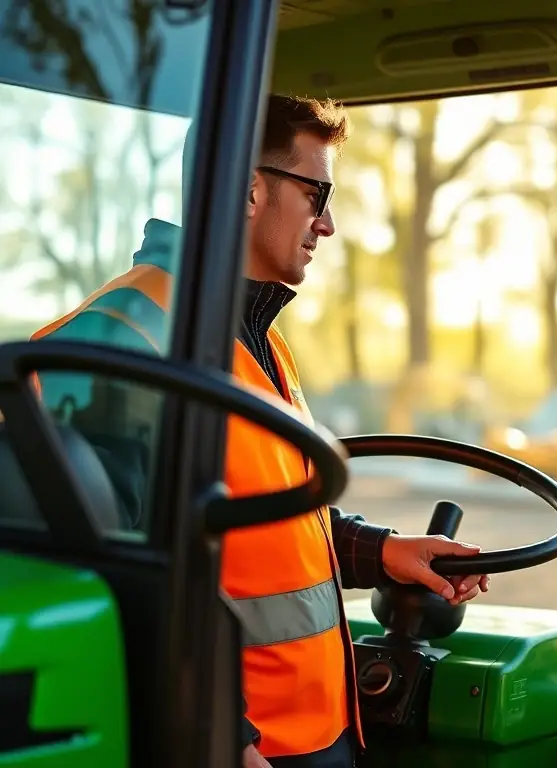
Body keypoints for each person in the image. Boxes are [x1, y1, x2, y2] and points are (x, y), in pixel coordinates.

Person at [31, 95, 491, 768]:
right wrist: (225, 736)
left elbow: (246, 523)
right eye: (318, 193)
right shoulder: (128, 338)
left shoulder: (257, 343)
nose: (327, 224)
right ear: (250, 189)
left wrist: (381, 552)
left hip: (315, 734)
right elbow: (107, 573)